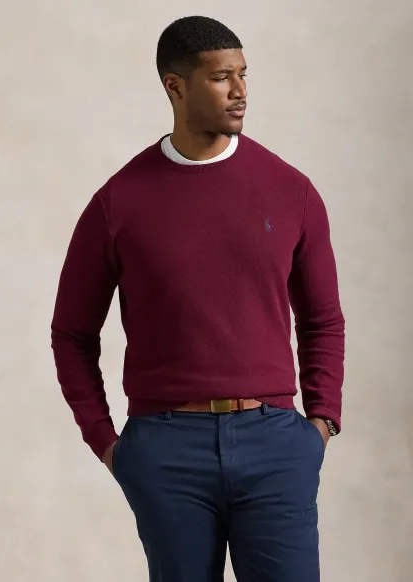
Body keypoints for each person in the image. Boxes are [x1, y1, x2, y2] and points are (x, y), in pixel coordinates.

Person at [51, 15, 345, 582]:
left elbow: (323, 319)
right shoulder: (119, 202)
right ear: (175, 86)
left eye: (243, 74)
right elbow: (71, 333)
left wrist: (322, 421)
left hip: (276, 443)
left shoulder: (291, 191)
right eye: (221, 77)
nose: (240, 91)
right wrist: (107, 443)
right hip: (166, 449)